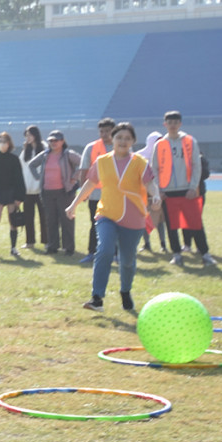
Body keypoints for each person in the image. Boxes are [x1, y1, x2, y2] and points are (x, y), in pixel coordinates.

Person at [67, 122, 161, 312]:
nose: (123, 141)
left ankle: (125, 291)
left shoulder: (140, 163)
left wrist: (156, 195)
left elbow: (150, 183)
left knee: (127, 260)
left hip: (133, 218)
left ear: (133, 141)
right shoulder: (102, 161)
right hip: (106, 214)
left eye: (127, 138)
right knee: (105, 249)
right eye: (119, 138)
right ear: (112, 140)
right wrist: (74, 204)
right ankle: (97, 298)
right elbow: (90, 184)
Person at [153, 110, 215, 267]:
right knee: (171, 225)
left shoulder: (189, 141)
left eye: (175, 122)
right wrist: (159, 190)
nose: (172, 125)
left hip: (187, 190)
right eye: (169, 122)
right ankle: (176, 254)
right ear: (164, 124)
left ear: (180, 124)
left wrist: (193, 187)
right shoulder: (160, 144)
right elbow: (155, 169)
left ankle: (205, 254)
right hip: (168, 192)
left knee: (195, 223)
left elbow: (196, 165)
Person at [28, 130, 81, 255]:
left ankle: (68, 248)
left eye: (56, 140)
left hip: (64, 192)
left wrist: (74, 177)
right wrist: (38, 177)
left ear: (62, 141)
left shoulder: (68, 154)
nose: (53, 143)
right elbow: (32, 164)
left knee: (66, 220)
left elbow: (83, 163)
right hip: (47, 192)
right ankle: (52, 246)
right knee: (51, 220)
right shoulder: (45, 154)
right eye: (51, 140)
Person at [78, 117, 116, 264]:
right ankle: (91, 253)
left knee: (115, 224)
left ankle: (115, 254)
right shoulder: (91, 148)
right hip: (95, 194)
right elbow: (84, 170)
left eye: (107, 131)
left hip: (115, 195)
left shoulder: (120, 146)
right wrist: (83, 191)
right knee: (95, 224)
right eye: (102, 131)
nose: (104, 134)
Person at [0, 131, 26, 258]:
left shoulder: (14, 159)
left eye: (5, 142)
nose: (2, 144)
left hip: (11, 194)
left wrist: (19, 197)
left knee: (12, 221)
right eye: (0, 141)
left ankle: (13, 248)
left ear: (9, 144)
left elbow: (19, 179)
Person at [19, 126, 47, 249]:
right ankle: (30, 241)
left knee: (44, 217)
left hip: (41, 188)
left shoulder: (44, 148)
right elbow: (21, 166)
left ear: (36, 135)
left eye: (29, 135)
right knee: (28, 216)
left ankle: (47, 241)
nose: (28, 138)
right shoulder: (26, 150)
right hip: (27, 189)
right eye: (26, 135)